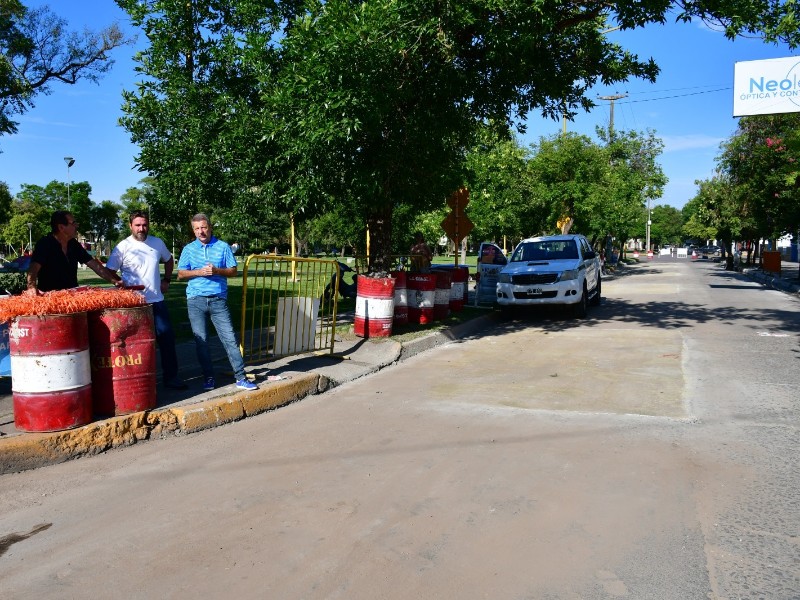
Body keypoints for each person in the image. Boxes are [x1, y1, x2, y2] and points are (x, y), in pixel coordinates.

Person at [106, 211, 187, 391]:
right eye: (137, 225)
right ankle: (135, 381)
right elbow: (110, 269)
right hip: (133, 304)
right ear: (130, 226)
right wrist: (118, 283)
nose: (141, 228)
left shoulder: (157, 242)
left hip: (156, 301)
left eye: (144, 224)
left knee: (166, 338)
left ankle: (171, 377)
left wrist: (167, 280)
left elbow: (169, 259)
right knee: (133, 343)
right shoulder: (122, 246)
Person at [177, 213, 258, 392]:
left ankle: (240, 377)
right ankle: (209, 377)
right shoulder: (189, 249)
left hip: (218, 300)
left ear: (210, 227)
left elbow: (233, 271)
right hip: (195, 300)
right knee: (202, 341)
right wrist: (199, 272)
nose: (201, 231)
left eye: (204, 227)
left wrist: (217, 270)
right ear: (193, 230)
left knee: (229, 339)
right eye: (197, 229)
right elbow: (181, 274)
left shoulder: (222, 247)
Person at [27, 210, 121, 292]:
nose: (77, 225)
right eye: (73, 223)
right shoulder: (45, 244)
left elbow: (95, 265)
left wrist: (115, 281)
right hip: (50, 299)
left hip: (72, 299)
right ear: (61, 227)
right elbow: (33, 268)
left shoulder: (74, 244)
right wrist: (31, 286)